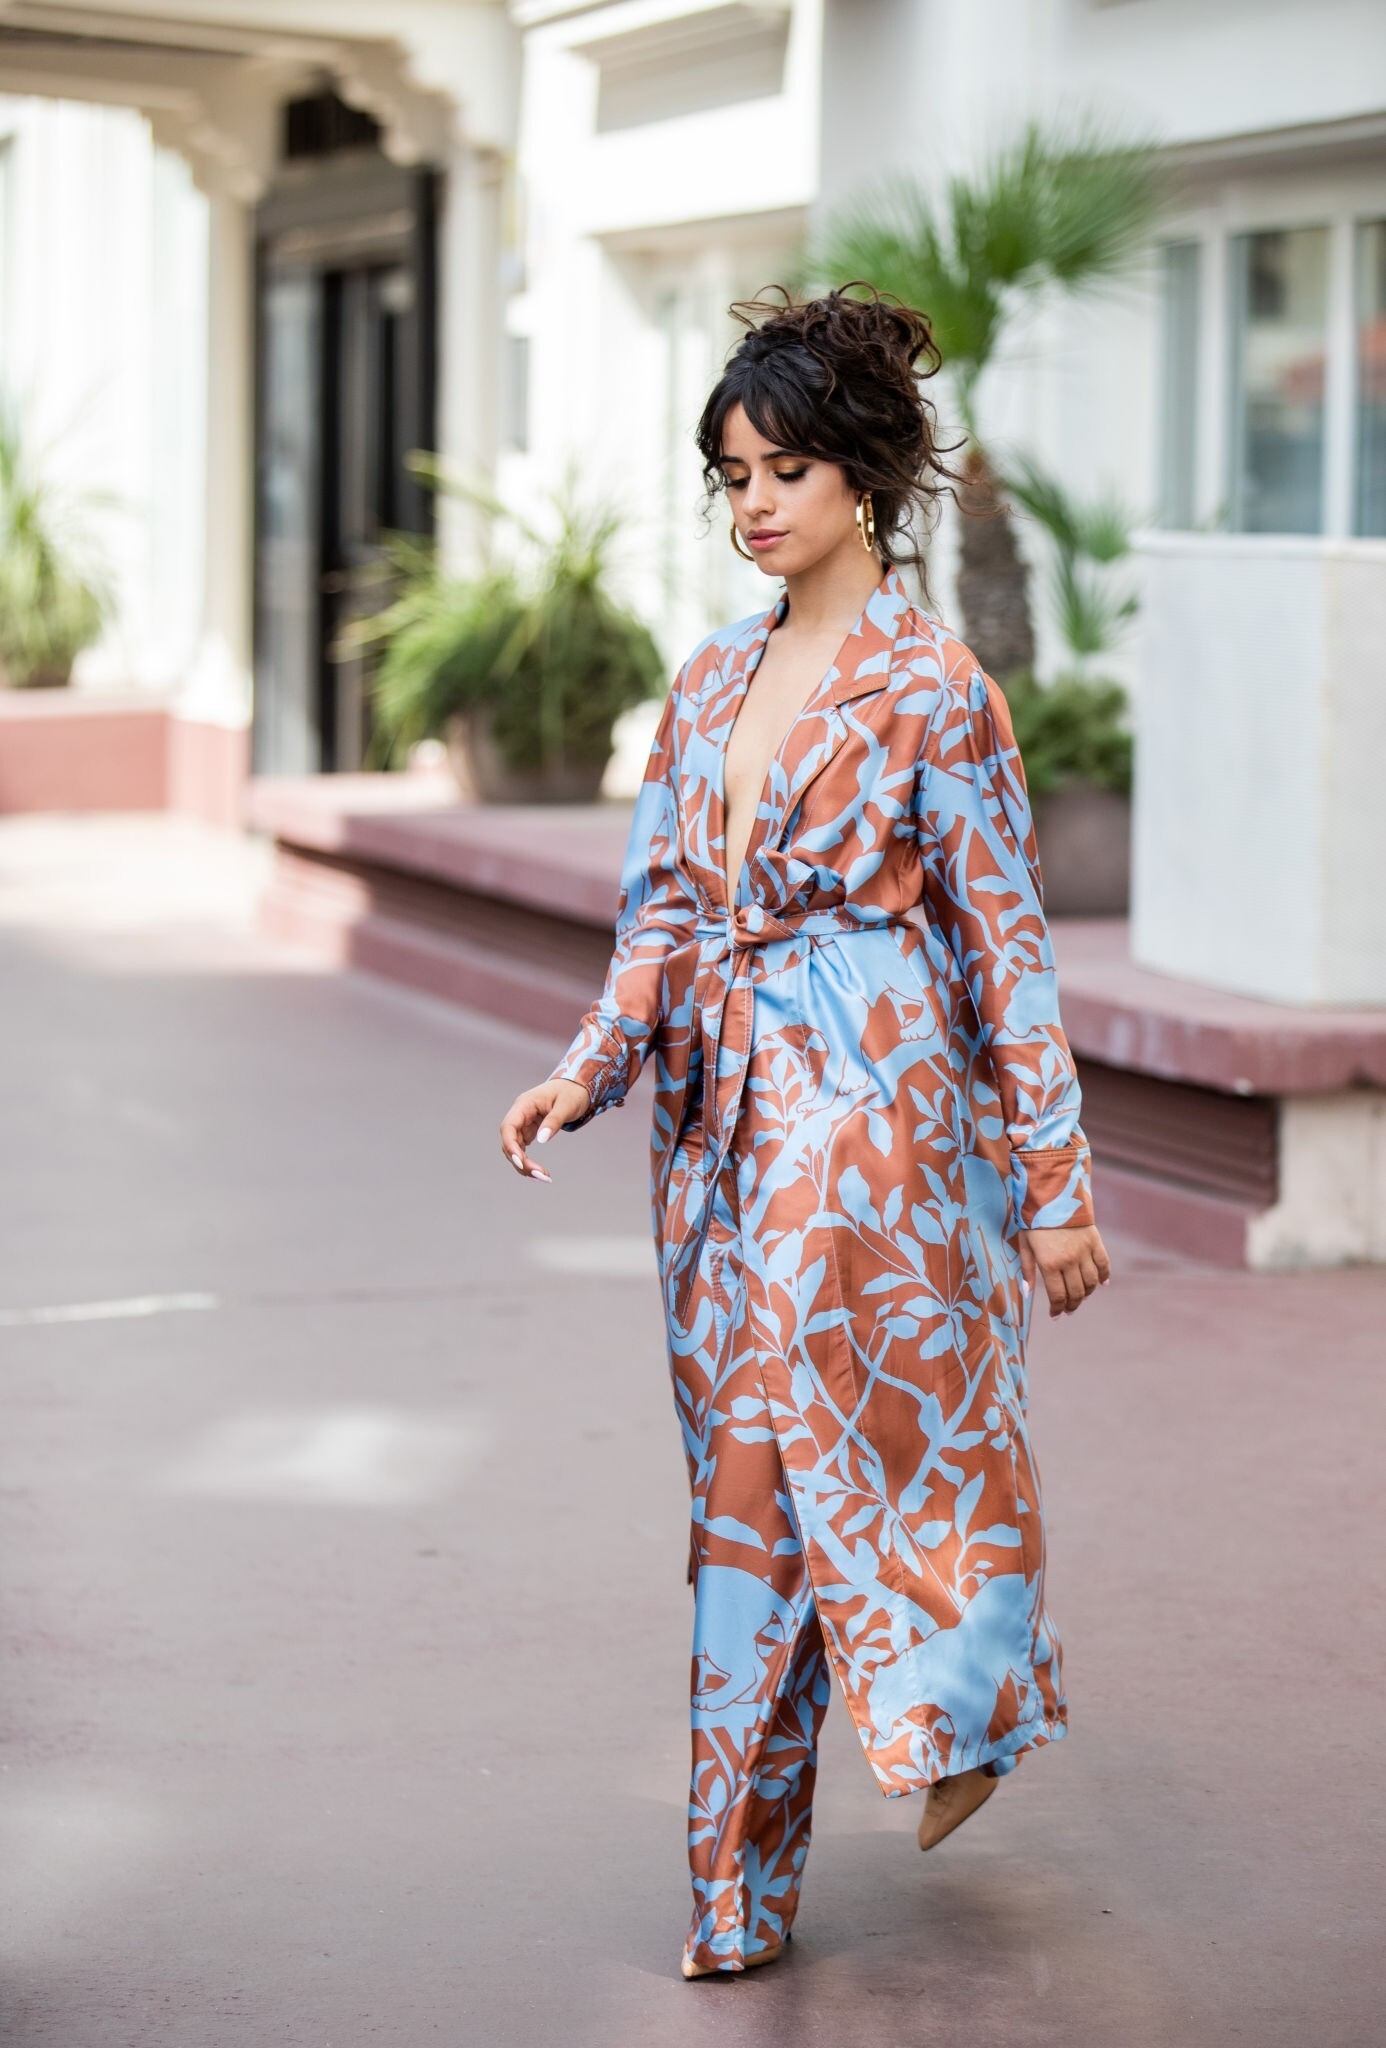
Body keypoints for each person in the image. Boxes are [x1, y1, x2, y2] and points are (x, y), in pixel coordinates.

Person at [498, 283, 1111, 1980]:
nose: (753, 504)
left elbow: (1006, 950)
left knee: (822, 1457)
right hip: (713, 1134)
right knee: (741, 1494)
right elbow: (660, 911)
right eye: (731, 477)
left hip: (871, 1126)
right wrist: (588, 1068)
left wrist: (1054, 1186)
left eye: (783, 470)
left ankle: (906, 1747)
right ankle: (760, 1880)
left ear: (862, 476)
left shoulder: (935, 688)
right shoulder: (705, 683)